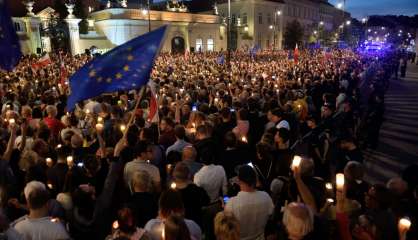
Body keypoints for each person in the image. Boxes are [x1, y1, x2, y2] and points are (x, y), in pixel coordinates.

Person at [224, 165, 274, 240]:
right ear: (255, 180)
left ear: (239, 180)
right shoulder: (266, 196)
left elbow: (228, 227)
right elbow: (271, 214)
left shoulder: (231, 203)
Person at [172, 162, 209, 227]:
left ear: (174, 175)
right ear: (189, 175)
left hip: (176, 226)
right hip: (195, 225)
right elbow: (206, 202)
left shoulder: (170, 193)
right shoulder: (197, 190)